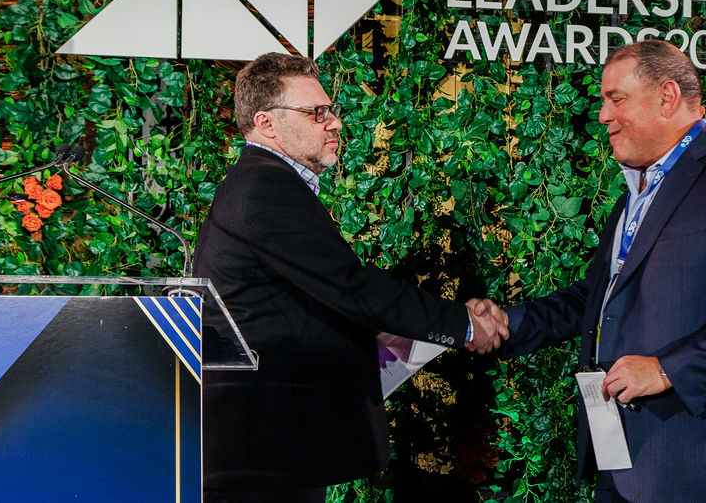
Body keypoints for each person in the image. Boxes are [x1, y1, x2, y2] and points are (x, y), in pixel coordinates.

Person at [476, 40, 706, 502]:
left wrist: (667, 370)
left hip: (699, 462)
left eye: (616, 99)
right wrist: (505, 323)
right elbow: (597, 298)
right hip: (621, 457)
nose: (603, 115)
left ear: (667, 97)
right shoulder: (634, 192)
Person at [195, 52, 507, 503]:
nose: (335, 123)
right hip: (264, 452)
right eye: (316, 113)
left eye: (331, 110)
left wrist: (385, 329)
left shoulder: (259, 181)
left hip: (268, 448)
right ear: (266, 123)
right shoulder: (266, 186)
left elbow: (313, 295)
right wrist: (464, 325)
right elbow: (349, 286)